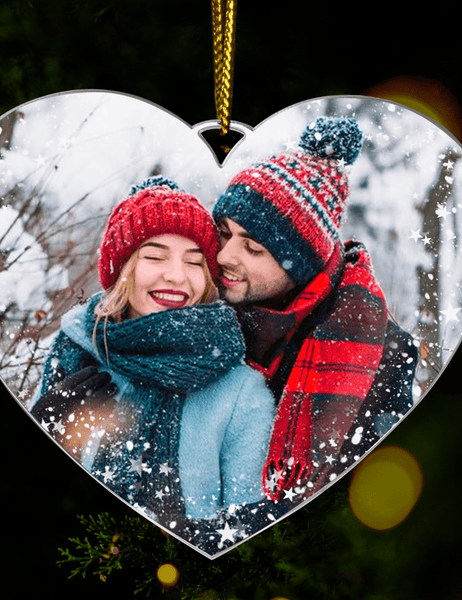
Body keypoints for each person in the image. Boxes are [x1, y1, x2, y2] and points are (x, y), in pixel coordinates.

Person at [29, 177, 278, 544]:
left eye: (194, 262)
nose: (176, 276)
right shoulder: (75, 358)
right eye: (155, 256)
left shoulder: (240, 393)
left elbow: (251, 533)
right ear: (123, 270)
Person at [212, 116, 418, 502]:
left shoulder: (379, 354)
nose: (224, 256)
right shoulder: (200, 311)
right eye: (224, 233)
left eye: (253, 247)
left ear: (300, 265)